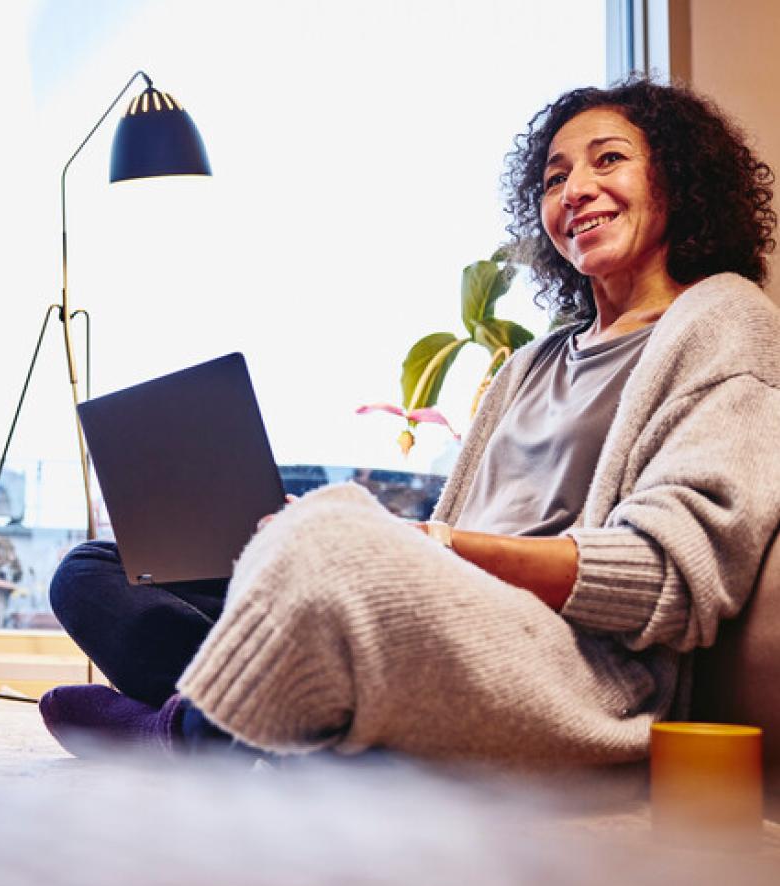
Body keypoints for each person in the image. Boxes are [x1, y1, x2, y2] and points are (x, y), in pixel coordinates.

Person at [38, 76, 780, 766]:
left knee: (329, 544)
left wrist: (421, 548)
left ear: (677, 179)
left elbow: (669, 580)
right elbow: (458, 525)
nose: (575, 190)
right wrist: (345, 540)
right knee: (93, 572)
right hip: (438, 608)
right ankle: (278, 709)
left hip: (566, 665)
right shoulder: (531, 364)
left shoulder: (722, 322)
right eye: (554, 178)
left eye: (606, 160)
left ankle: (189, 731)